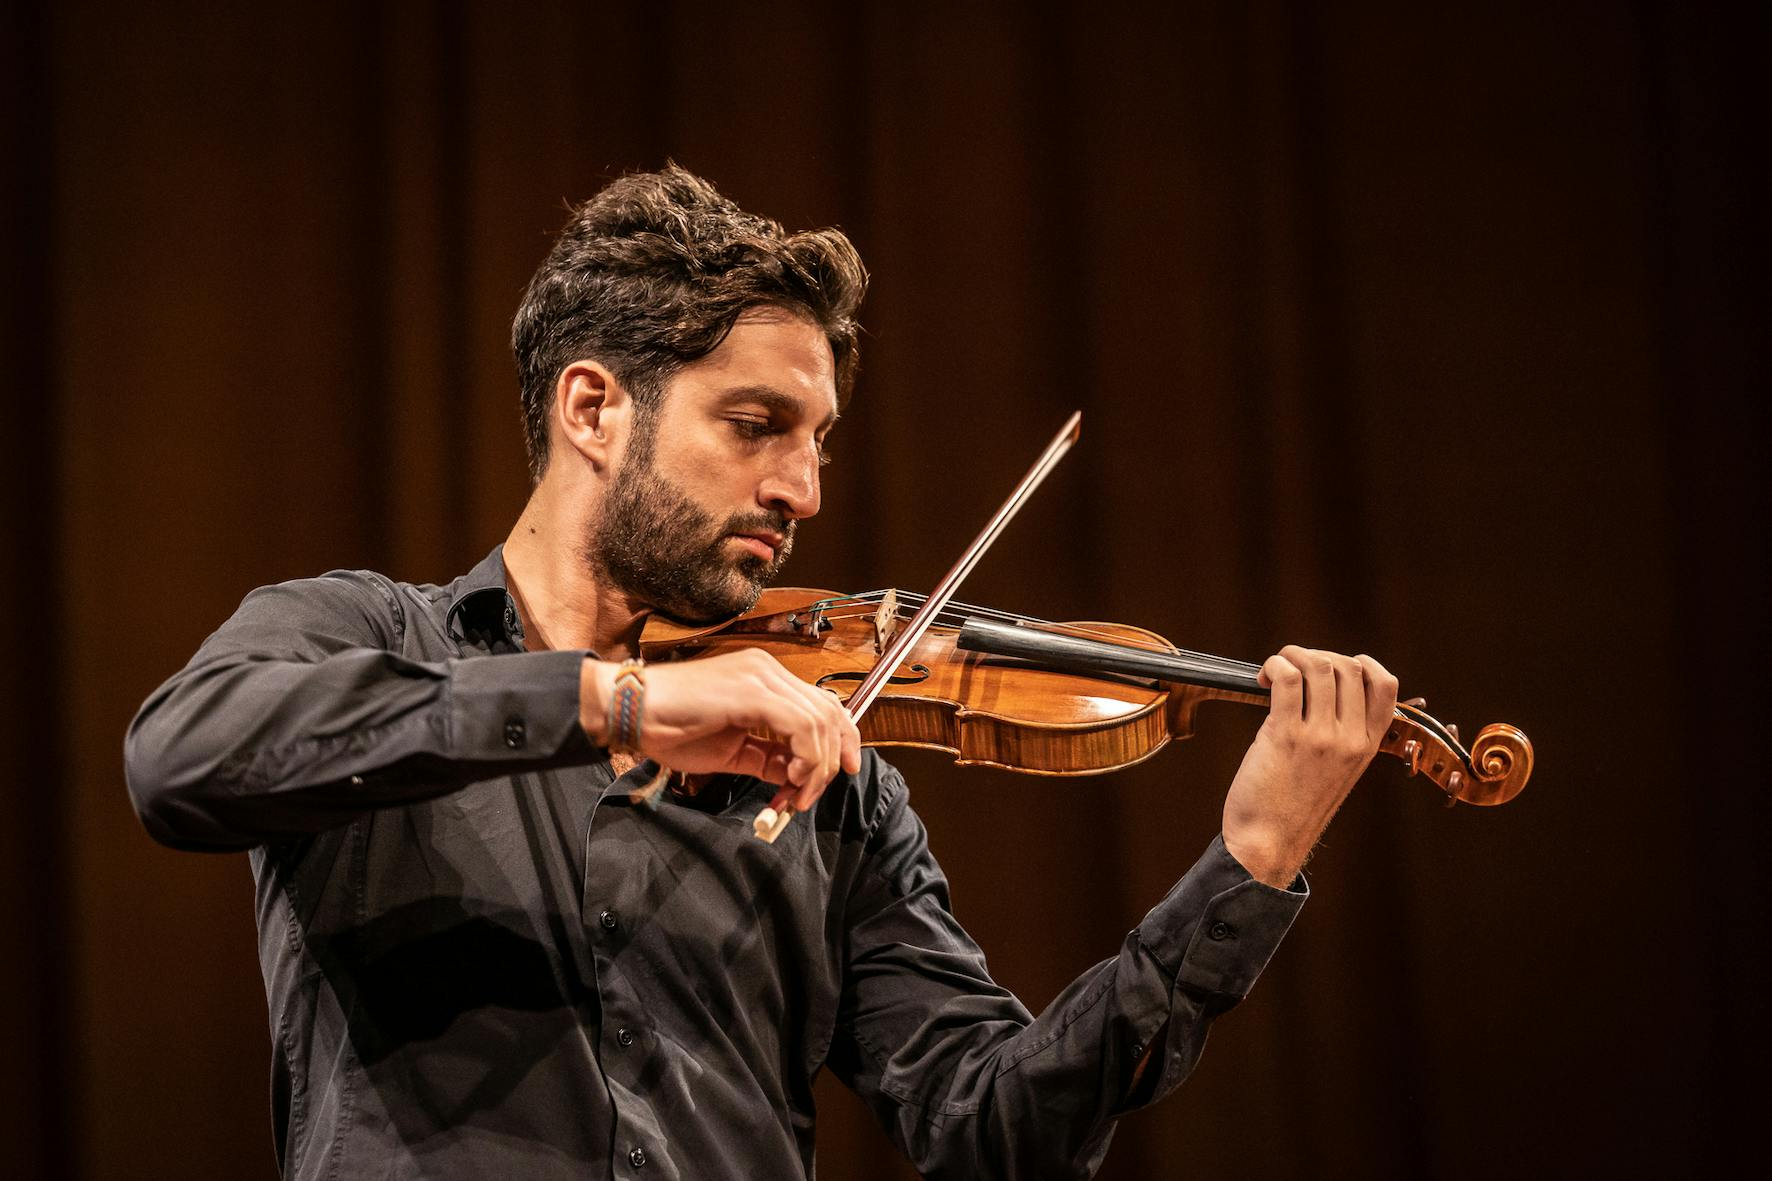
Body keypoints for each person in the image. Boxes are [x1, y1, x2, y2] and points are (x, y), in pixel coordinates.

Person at [125, 165, 1398, 1181]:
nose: (802, 487)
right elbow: (181, 759)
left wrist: (1246, 865)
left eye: (819, 440)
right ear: (591, 409)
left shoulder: (823, 767)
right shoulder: (369, 635)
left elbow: (992, 1126)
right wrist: (613, 701)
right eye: (755, 426)